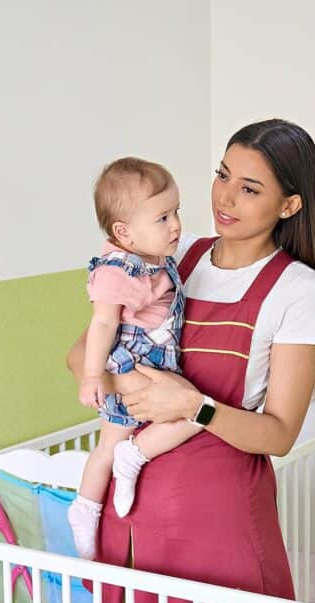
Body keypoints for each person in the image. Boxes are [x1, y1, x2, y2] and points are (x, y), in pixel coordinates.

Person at [67, 119, 315, 603]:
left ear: (289, 206)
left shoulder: (295, 290)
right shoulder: (172, 256)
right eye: (222, 175)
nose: (225, 197)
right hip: (141, 525)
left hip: (220, 534)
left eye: (250, 188)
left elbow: (279, 434)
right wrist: (139, 389)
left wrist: (193, 406)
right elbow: (80, 355)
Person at [67, 157, 204, 560]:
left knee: (113, 442)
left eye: (176, 211)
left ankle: (119, 469)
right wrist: (92, 377)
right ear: (124, 232)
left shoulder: (154, 257)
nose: (176, 224)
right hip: (132, 363)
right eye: (162, 217)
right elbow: (102, 326)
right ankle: (90, 505)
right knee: (198, 414)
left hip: (157, 365)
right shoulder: (116, 272)